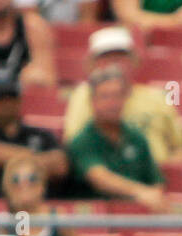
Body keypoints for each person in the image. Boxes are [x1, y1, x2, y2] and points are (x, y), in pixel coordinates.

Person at [61, 27, 182, 165]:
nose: (114, 64)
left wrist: (159, 173)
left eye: (120, 58)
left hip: (157, 174)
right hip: (104, 175)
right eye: (106, 58)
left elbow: (181, 148)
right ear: (92, 65)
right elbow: (74, 146)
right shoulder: (83, 95)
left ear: (134, 61)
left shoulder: (157, 97)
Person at [64, 70, 170, 210]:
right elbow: (100, 178)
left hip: (137, 216)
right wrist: (141, 192)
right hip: (95, 222)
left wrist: (154, 196)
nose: (112, 103)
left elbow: (155, 180)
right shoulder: (82, 140)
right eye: (105, 96)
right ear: (93, 101)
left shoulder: (137, 137)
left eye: (117, 95)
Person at [0, 75, 68, 200]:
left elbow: (60, 166)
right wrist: (40, 160)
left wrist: (8, 157)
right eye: (0, 98)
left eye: (12, 98)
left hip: (31, 212)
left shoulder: (40, 135)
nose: (7, 104)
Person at [0, 154, 78, 236]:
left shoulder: (58, 218)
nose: (24, 185)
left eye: (32, 179)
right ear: (7, 187)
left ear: (42, 185)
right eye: (15, 180)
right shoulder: (5, 223)